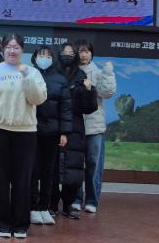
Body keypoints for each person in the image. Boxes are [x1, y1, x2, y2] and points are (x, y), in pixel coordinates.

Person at [0, 33, 47, 239]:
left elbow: (37, 99)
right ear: (3, 48)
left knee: (22, 180)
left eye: (16, 47)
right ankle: (1, 223)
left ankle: (21, 224)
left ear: (22, 50)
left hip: (26, 132)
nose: (12, 50)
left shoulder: (33, 72)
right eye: (8, 46)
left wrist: (27, 76)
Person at [51, 43, 98, 219]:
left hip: (75, 128)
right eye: (64, 52)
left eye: (71, 53)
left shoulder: (81, 75)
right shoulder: (52, 74)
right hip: (55, 125)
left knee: (73, 168)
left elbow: (89, 108)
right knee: (52, 168)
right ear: (58, 54)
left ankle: (68, 205)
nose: (68, 55)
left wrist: (89, 90)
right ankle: (51, 205)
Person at [29, 46, 72, 226]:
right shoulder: (29, 75)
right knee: (33, 170)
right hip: (31, 130)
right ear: (35, 57)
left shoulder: (61, 79)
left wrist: (64, 132)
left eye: (48, 55)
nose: (44, 58)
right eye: (41, 55)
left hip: (53, 132)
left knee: (49, 172)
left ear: (53, 59)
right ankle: (32, 207)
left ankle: (44, 207)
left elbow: (66, 108)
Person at [72, 39, 116, 214]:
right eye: (80, 51)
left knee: (93, 164)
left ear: (91, 54)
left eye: (87, 51)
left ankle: (92, 200)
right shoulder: (71, 72)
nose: (84, 55)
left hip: (94, 127)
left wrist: (108, 73)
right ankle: (75, 199)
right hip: (75, 126)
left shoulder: (98, 72)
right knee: (75, 164)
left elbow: (107, 93)